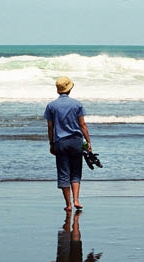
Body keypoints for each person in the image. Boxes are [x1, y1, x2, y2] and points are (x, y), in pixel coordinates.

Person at [44, 76, 93, 211]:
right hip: (76, 141)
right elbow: (82, 124)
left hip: (60, 142)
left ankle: (68, 205)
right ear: (70, 89)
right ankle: (76, 200)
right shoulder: (77, 104)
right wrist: (88, 141)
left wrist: (51, 143)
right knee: (76, 171)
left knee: (63, 172)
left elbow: (50, 126)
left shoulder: (51, 105)